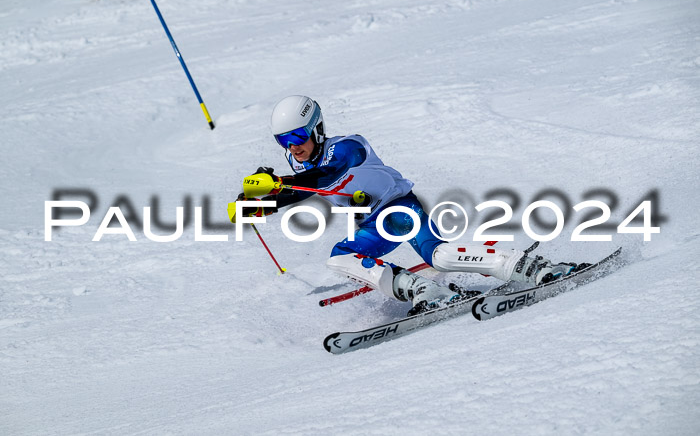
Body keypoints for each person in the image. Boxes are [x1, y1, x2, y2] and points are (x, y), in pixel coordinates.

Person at [232, 95, 586, 315]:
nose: (293, 147)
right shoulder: (299, 165)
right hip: (371, 226)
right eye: (284, 140)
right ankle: (420, 289)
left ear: (317, 129)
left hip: (401, 210)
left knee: (439, 257)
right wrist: (262, 205)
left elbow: (329, 176)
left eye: (298, 136)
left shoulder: (347, 146)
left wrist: (277, 183)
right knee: (339, 257)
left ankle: (528, 266)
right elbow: (307, 189)